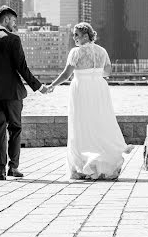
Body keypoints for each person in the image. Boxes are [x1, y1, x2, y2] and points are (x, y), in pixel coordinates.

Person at [48, 22, 133, 180]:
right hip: (99, 89)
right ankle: (104, 162)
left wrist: (52, 85)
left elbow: (67, 75)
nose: (74, 38)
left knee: (81, 125)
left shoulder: (76, 52)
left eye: (77, 35)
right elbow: (108, 72)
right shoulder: (102, 51)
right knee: (100, 122)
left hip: (81, 89)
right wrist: (95, 73)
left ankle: (84, 166)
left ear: (86, 35)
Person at [0, 5, 50, 180]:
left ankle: (0, 170)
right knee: (15, 129)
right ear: (6, 19)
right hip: (12, 95)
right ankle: (13, 168)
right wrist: (39, 87)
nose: (14, 25)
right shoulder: (13, 40)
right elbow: (22, 69)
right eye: (14, 21)